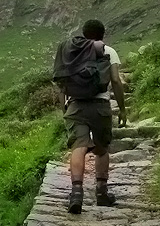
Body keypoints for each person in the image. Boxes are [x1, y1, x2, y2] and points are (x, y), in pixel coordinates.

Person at [52, 19, 127, 215]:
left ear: (84, 34)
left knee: (79, 146)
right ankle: (101, 193)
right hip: (100, 106)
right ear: (103, 34)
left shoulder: (71, 53)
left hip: (75, 105)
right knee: (101, 149)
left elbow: (61, 86)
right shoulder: (108, 51)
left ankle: (76, 193)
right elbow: (116, 81)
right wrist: (122, 108)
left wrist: (64, 110)